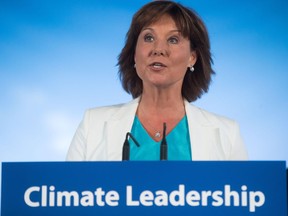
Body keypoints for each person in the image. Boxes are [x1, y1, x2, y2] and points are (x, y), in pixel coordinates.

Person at [66, 0, 248, 161]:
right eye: (149, 37)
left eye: (173, 39)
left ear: (192, 57)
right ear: (134, 55)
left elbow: (241, 195)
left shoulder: (227, 134)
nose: (158, 49)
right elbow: (69, 194)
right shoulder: (93, 125)